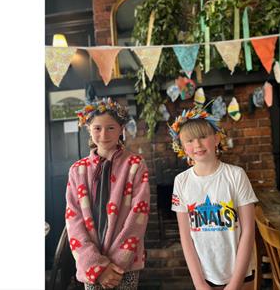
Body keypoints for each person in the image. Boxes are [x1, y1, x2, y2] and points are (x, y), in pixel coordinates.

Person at [65, 97, 150, 290]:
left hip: (125, 265)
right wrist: (97, 266)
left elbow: (138, 215)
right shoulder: (77, 170)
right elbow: (73, 220)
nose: (104, 134)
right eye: (97, 128)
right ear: (88, 129)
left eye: (111, 128)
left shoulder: (135, 165)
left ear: (121, 129)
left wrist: (116, 264)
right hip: (91, 266)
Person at [170, 106, 258, 290]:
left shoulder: (236, 175)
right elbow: (185, 237)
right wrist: (199, 282)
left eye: (203, 137)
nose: (197, 145)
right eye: (190, 140)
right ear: (182, 146)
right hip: (205, 276)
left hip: (240, 274)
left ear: (217, 138)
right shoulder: (181, 181)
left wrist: (235, 283)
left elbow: (249, 230)